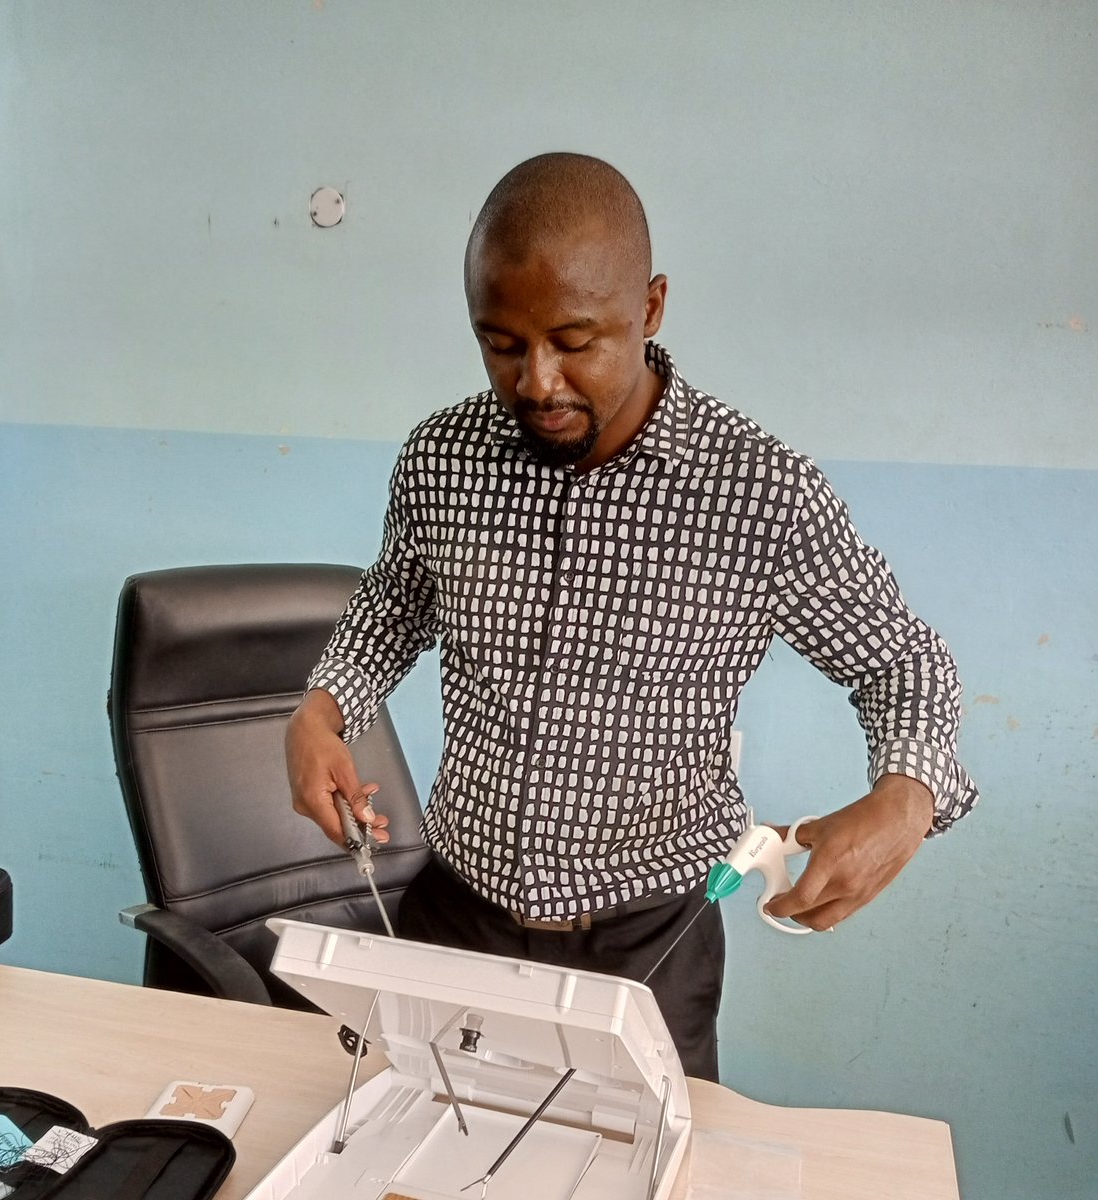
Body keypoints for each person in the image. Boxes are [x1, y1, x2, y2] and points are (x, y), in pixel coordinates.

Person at [285, 152, 978, 1082]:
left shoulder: (756, 491)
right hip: (454, 918)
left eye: (574, 340)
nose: (536, 381)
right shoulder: (441, 456)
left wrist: (904, 798)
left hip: (648, 944)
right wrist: (321, 709)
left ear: (649, 309)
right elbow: (393, 605)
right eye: (501, 343)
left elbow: (900, 661)